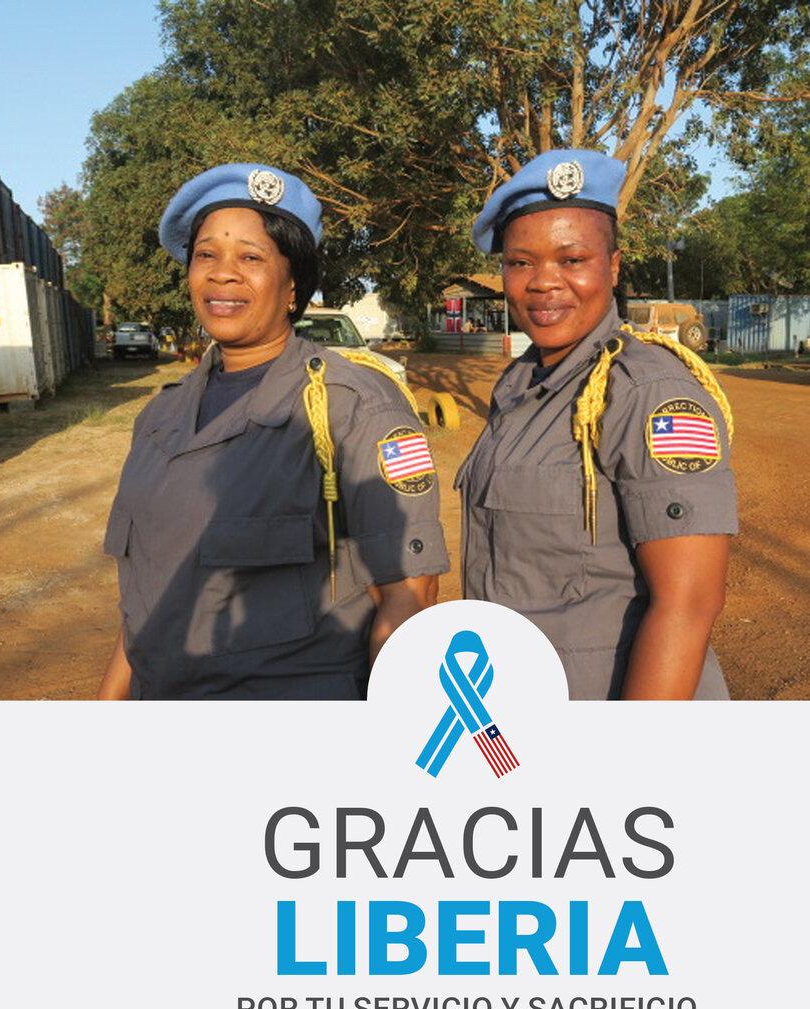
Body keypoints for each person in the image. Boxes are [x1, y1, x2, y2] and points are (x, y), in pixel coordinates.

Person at [98, 163, 448, 699]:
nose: (222, 274)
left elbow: (410, 593)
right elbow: (146, 602)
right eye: (207, 255)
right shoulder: (159, 419)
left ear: (293, 286)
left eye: (251, 258)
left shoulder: (353, 406)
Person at [458, 149, 737, 699]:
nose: (543, 283)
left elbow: (689, 601)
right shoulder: (520, 386)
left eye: (572, 259)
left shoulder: (649, 391)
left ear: (612, 266)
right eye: (520, 263)